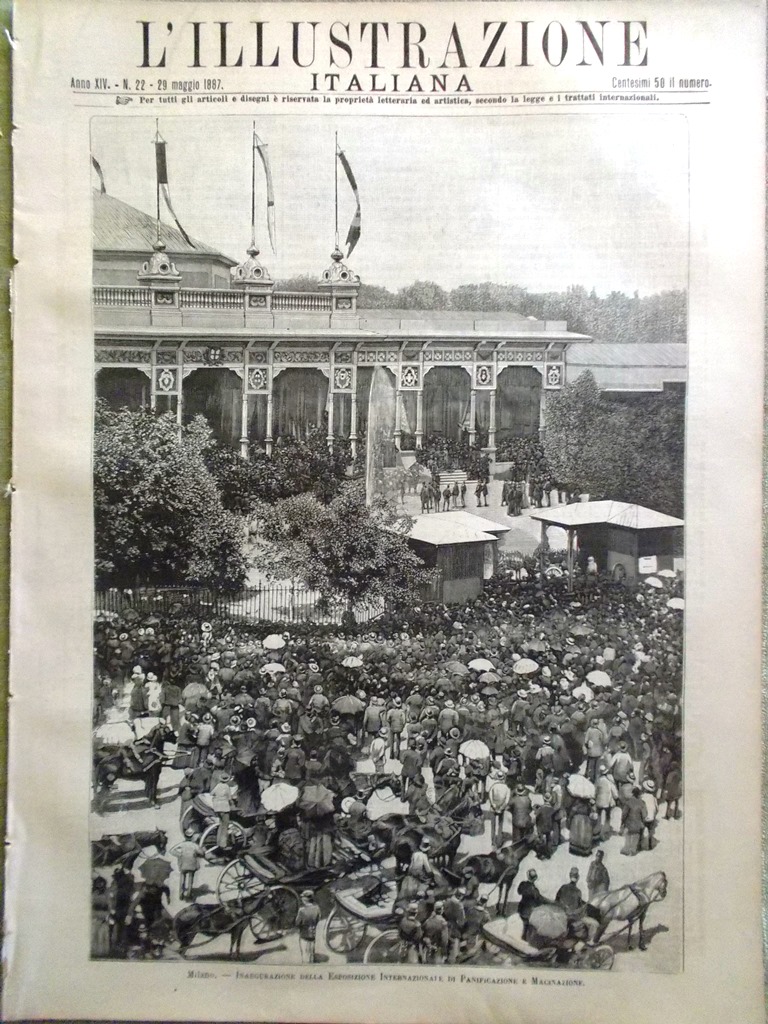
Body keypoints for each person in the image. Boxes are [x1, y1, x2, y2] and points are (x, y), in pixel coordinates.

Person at [170, 830, 207, 901]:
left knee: (182, 878)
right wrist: (197, 854)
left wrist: (180, 855)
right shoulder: (194, 845)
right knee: (190, 879)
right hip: (192, 863)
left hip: (183, 863)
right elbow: (202, 853)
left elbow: (172, 851)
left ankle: (181, 894)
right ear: (192, 836)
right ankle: (188, 894)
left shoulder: (182, 844)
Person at [210, 771, 235, 851]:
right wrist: (232, 804)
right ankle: (223, 844)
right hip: (224, 807)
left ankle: (218, 842)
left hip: (217, 807)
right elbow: (229, 798)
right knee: (225, 826)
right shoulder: (226, 787)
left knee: (221, 825)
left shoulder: (218, 786)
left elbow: (212, 793)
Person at [517, 869, 543, 941]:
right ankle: (525, 938)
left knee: (526, 925)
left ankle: (524, 937)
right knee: (528, 926)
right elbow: (538, 900)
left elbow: (519, 891)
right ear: (535, 878)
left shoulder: (523, 884)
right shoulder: (534, 890)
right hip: (529, 911)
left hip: (522, 909)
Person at [295, 889, 321, 964]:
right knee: (311, 953)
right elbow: (318, 919)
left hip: (304, 934)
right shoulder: (317, 908)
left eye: (303, 897)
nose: (302, 899)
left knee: (305, 955)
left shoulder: (302, 910)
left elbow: (297, 923)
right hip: (313, 934)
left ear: (306, 899)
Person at [621, 786, 646, 856]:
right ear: (639, 794)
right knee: (636, 835)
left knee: (628, 835)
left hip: (629, 823)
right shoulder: (642, 803)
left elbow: (624, 814)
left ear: (632, 793)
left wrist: (622, 822)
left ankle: (626, 849)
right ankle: (633, 850)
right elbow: (644, 815)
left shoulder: (628, 802)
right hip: (638, 823)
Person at [641, 779, 659, 850]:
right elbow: (657, 809)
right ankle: (650, 845)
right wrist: (654, 815)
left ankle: (640, 845)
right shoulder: (654, 798)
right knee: (650, 830)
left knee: (641, 830)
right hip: (651, 818)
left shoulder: (642, 797)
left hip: (644, 817)